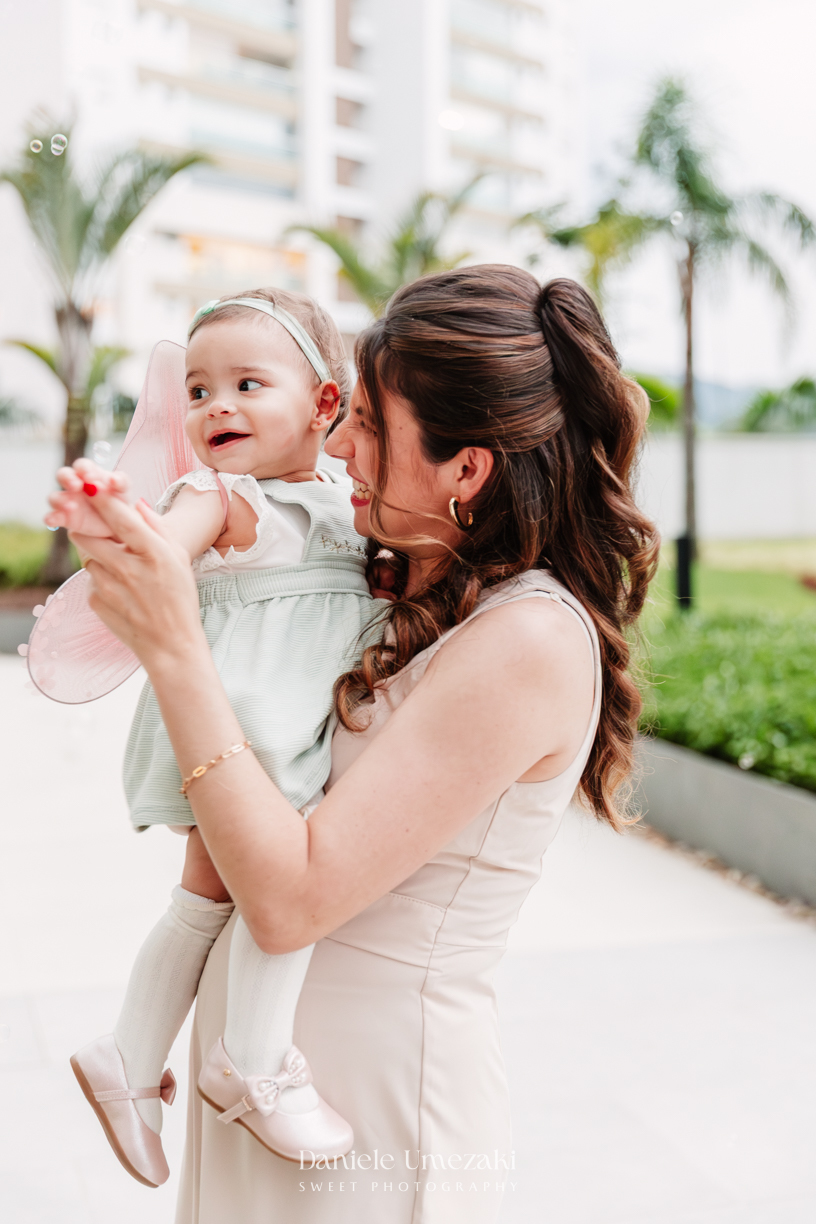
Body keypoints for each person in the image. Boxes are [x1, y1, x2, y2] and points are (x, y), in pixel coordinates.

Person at [70, 266, 659, 1223]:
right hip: (268, 1102)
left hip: (370, 1122)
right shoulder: (399, 587)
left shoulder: (530, 639)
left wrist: (177, 648)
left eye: (373, 428)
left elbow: (294, 896)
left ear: (467, 468)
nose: (338, 444)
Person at [46, 289, 388, 1186]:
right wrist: (107, 522)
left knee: (203, 899)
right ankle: (255, 1058)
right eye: (197, 391)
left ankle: (129, 1052)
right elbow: (161, 550)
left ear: (323, 406)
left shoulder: (347, 499)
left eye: (245, 383)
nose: (216, 407)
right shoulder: (223, 493)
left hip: (278, 725)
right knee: (295, 888)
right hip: (249, 731)